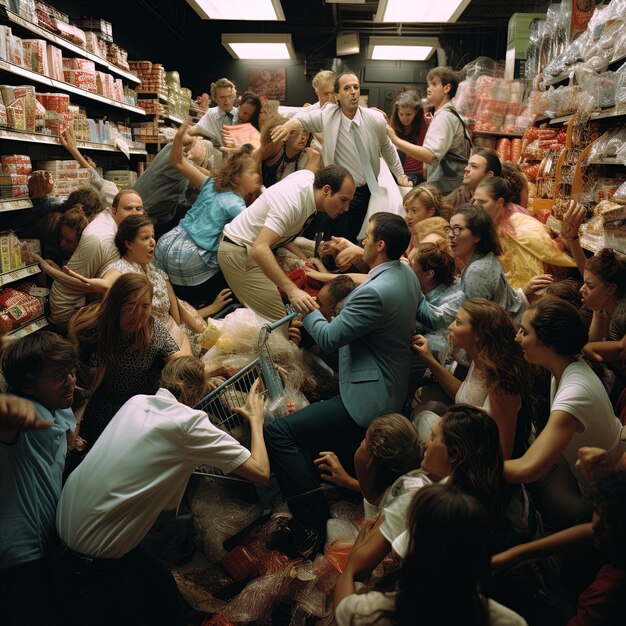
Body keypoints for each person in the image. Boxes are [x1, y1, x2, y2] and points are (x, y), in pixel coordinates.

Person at [55, 358, 269, 626]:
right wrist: (255, 420)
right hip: (91, 559)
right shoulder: (190, 424)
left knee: (161, 585)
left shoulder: (137, 402)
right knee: (155, 611)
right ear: (195, 393)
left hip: (63, 528)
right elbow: (261, 472)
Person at [264, 213, 420, 554]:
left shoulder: (374, 292)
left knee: (279, 432)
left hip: (368, 397)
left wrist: (308, 307)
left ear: (380, 245)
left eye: (366, 237)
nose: (361, 241)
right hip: (387, 383)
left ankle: (309, 522)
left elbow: (331, 338)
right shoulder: (405, 273)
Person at [335, 483, 528, 626]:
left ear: (412, 558)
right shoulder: (510, 622)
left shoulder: (371, 613)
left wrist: (351, 567)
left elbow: (343, 608)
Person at [507, 296, 626, 525]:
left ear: (547, 343)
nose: (517, 338)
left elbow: (528, 468)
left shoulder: (574, 391)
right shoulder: (564, 370)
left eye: (524, 332)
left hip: (609, 498)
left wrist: (465, 469)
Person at [270, 72, 410, 243]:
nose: (353, 92)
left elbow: (387, 148)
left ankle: (345, 262)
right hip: (341, 189)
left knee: (359, 234)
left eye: (356, 87)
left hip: (368, 187)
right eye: (347, 88)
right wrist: (289, 125)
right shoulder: (328, 115)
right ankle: (337, 264)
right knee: (341, 235)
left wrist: (400, 174)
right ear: (337, 95)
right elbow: (304, 118)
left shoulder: (375, 119)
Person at [0, 332, 78, 626]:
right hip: (20, 559)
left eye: (70, 371)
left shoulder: (58, 406)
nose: (70, 380)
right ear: (27, 386)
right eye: (58, 376)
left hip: (46, 546)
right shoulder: (22, 413)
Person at [60, 215, 230, 347]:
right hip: (148, 345)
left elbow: (175, 308)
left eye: (153, 237)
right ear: (128, 243)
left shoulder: (155, 271)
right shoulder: (121, 268)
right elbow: (108, 283)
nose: (152, 243)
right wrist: (90, 283)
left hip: (176, 335)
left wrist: (211, 309)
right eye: (145, 238)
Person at [218, 164, 356, 322]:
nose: (346, 208)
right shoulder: (292, 203)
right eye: (343, 200)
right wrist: (291, 290)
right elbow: (260, 249)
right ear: (326, 190)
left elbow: (281, 234)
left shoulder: (308, 178)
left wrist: (303, 259)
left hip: (254, 247)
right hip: (239, 252)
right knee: (280, 322)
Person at [493, 467, 626, 626]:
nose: (595, 526)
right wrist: (518, 553)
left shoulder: (604, 597)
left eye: (606, 525)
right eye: (597, 511)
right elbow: (590, 533)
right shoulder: (613, 534)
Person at [68, 273, 186, 448]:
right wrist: (74, 423)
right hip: (106, 410)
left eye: (145, 306)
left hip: (144, 407)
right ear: (116, 304)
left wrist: (203, 372)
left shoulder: (151, 326)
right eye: (130, 305)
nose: (138, 315)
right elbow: (85, 390)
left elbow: (177, 361)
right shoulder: (94, 332)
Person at [154, 120, 260, 307]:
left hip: (166, 243)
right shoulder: (237, 207)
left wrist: (178, 137)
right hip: (191, 260)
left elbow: (176, 161)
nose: (257, 176)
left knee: (170, 298)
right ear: (237, 177)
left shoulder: (210, 183)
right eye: (252, 172)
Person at [412, 297, 532, 460]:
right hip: (469, 439)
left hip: (479, 461)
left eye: (458, 323)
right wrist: (428, 358)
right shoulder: (481, 359)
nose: (450, 326)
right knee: (427, 408)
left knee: (425, 419)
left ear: (478, 335)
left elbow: (502, 454)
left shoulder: (501, 384)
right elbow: (466, 396)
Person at [47, 188, 145, 329]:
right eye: (128, 208)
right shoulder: (100, 239)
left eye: (139, 208)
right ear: (113, 211)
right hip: (72, 318)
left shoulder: (123, 231)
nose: (135, 213)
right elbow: (65, 299)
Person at [473, 176, 576, 289]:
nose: (475, 206)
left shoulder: (512, 229)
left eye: (482, 202)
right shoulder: (493, 224)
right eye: (475, 201)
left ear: (499, 203)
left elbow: (527, 277)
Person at [314, 413, 422, 519]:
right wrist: (348, 481)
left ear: (369, 462)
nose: (360, 443)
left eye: (364, 441)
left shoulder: (381, 523)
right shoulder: (405, 488)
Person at [386, 66, 471, 194]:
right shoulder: (448, 114)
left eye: (434, 84)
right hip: (452, 187)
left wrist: (394, 139)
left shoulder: (444, 117)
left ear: (446, 88)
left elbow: (429, 156)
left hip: (447, 190)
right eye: (428, 84)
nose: (428, 88)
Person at [448, 204, 525, 323]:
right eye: (449, 228)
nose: (450, 235)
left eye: (458, 229)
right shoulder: (484, 259)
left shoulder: (477, 271)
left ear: (477, 236)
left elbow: (477, 326)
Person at [133, 130, 216, 238]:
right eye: (204, 163)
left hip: (147, 215)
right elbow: (207, 178)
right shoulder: (180, 160)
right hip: (143, 219)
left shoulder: (172, 150)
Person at [258, 115, 320, 188]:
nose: (303, 137)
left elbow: (302, 188)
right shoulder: (276, 147)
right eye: (299, 132)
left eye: (306, 133)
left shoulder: (307, 157)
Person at [580, 248, 626, 342]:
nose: (581, 289)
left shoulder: (622, 316)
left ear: (611, 289)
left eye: (590, 286)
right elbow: (593, 342)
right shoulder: (603, 307)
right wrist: (596, 310)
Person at [388, 90, 428, 185]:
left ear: (416, 112)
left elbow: (423, 151)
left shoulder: (423, 123)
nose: (404, 118)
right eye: (401, 114)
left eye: (409, 114)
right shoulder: (394, 123)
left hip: (416, 172)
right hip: (397, 169)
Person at [191, 77, 239, 146]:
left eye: (230, 96)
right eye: (222, 97)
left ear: (234, 96)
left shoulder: (240, 114)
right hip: (218, 152)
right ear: (215, 98)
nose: (227, 101)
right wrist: (180, 134)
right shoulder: (211, 113)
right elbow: (197, 128)